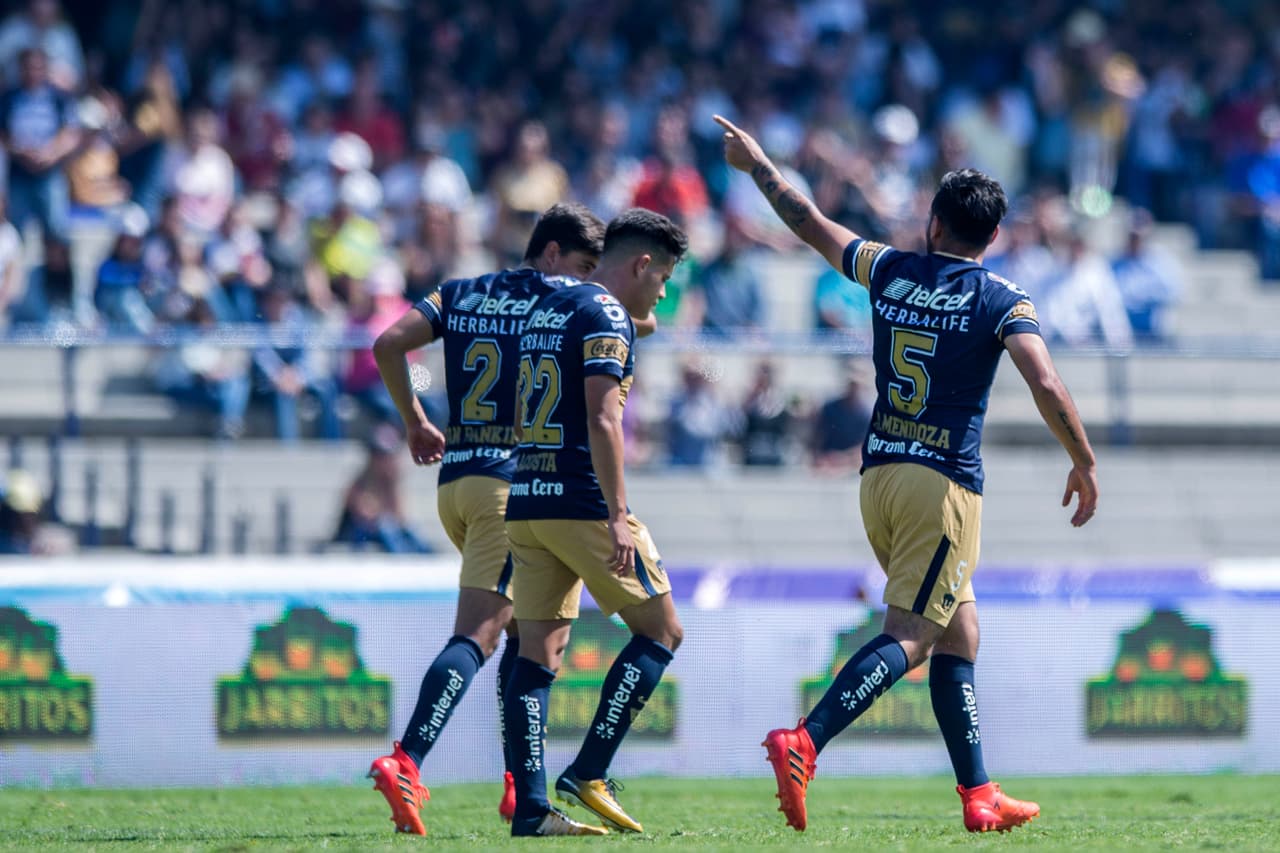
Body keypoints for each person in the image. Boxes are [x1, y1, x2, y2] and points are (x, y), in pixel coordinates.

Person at [715, 115, 1098, 834]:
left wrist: (759, 164)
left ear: (933, 224)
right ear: (992, 236)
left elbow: (807, 220)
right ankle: (805, 739)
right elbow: (1044, 381)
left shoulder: (889, 267)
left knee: (961, 630)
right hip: (943, 483)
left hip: (880, 473)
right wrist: (1082, 457)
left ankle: (979, 793)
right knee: (916, 634)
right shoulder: (1001, 298)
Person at [366, 202, 653, 837]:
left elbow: (388, 344)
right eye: (582, 264)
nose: (589, 277)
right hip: (510, 483)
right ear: (551, 253)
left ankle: (518, 787)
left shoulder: (461, 292)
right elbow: (635, 324)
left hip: (456, 479)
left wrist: (414, 420)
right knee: (481, 634)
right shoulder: (565, 301)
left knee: (525, 638)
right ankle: (407, 759)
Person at [501, 208, 687, 838]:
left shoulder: (550, 308)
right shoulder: (606, 314)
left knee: (536, 655)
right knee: (660, 632)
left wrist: (641, 314)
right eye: (660, 278)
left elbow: (637, 320)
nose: (662, 293)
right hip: (582, 499)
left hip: (527, 497)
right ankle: (589, 770)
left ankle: (530, 810)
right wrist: (616, 516)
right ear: (639, 265)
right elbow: (605, 418)